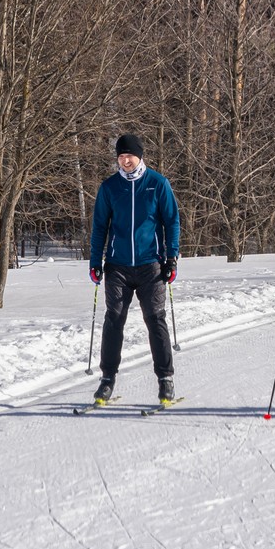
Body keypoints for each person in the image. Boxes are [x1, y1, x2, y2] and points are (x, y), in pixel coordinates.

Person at [89, 133, 181, 404]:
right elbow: (99, 227)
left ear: (140, 156)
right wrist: (95, 261)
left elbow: (171, 222)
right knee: (114, 319)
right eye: (120, 156)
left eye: (129, 155)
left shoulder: (157, 183)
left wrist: (171, 258)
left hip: (150, 265)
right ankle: (107, 379)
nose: (125, 160)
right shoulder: (109, 187)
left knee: (155, 320)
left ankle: (165, 379)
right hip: (117, 266)